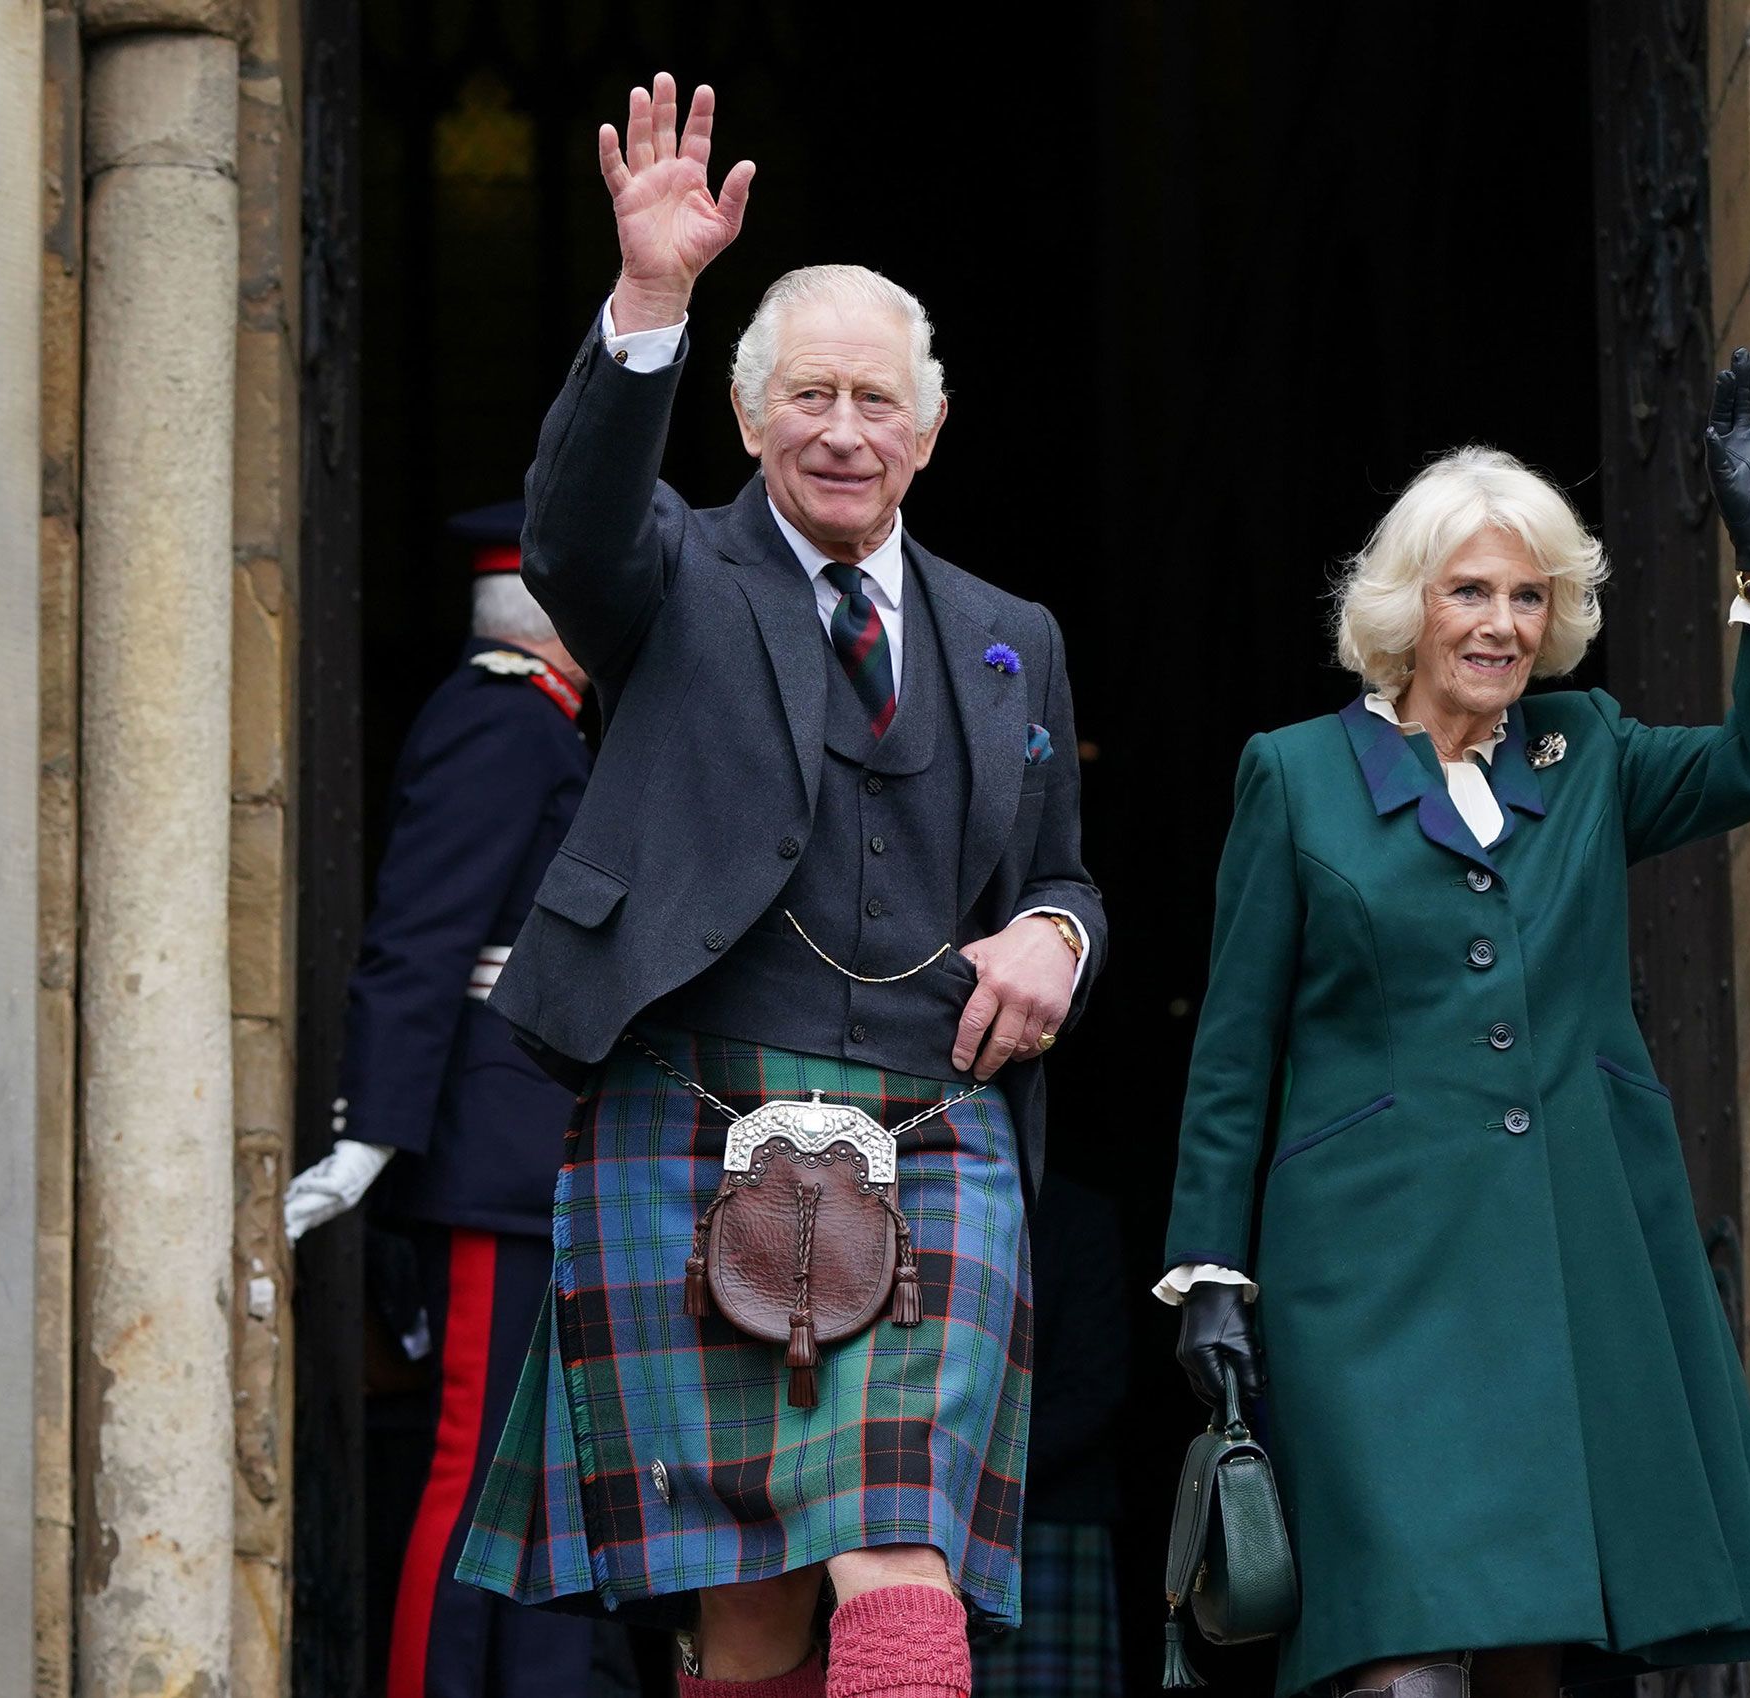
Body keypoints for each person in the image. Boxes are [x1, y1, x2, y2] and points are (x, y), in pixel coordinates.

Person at [451, 75, 1106, 1698]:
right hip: (696, 1104)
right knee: (747, 1611)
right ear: (748, 419)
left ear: (931, 430)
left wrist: (1058, 929)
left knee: (899, 1552)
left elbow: (1062, 873)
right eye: (806, 394)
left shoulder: (1012, 633)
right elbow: (572, 527)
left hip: (931, 1127)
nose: (842, 427)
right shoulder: (671, 576)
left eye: (877, 400)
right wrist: (651, 296)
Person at [1159, 353, 1750, 1698]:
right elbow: (1235, 1045)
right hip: (1370, 1281)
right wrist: (1210, 1269)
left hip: (1564, 1260)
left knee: (1537, 1649)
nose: (1503, 623)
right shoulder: (1294, 777)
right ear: (1408, 605)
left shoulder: (1583, 752)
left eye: (1530, 596)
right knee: (1400, 1652)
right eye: (1472, 590)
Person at [282, 502, 598, 1698]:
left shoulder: (544, 727)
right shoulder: (501, 723)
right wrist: (374, 1133)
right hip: (490, 1151)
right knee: (478, 1465)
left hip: (539, 1150)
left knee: (555, 1478)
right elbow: (421, 937)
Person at [970, 1175, 1129, 1698]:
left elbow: (1093, 1387)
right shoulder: (927, 1203)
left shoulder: (1079, 1219)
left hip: (1053, 1516)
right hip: (937, 1512)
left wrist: (973, 1474)